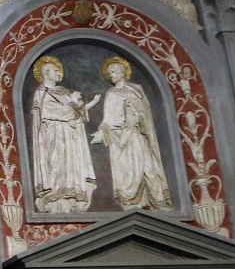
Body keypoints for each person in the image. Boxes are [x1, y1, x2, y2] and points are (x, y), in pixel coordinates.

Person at [91, 56, 173, 210]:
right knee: (129, 171)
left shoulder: (136, 90)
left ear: (123, 72)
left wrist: (138, 119)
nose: (111, 75)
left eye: (114, 71)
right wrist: (102, 132)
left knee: (148, 166)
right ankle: (133, 204)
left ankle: (156, 201)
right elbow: (107, 119)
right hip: (121, 138)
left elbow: (146, 113)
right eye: (109, 73)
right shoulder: (111, 94)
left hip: (138, 133)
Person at [29, 55, 99, 212]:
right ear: (47, 73)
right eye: (55, 71)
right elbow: (48, 112)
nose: (58, 73)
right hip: (53, 134)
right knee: (56, 163)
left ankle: (74, 199)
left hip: (71, 136)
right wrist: (71, 104)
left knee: (72, 166)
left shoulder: (64, 92)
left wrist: (88, 104)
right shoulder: (41, 93)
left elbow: (77, 111)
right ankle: (56, 200)